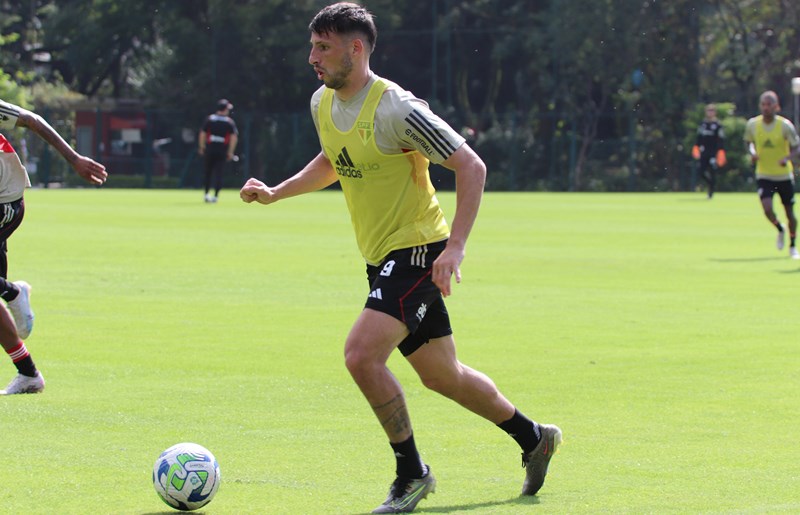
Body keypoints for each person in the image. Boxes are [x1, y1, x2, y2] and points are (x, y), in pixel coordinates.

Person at [240, 3, 561, 513]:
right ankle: (534, 438)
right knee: (442, 375)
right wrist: (278, 192)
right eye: (313, 46)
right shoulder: (322, 103)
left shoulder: (397, 109)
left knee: (360, 355)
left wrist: (454, 247)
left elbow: (470, 165)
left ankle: (412, 473)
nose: (313, 57)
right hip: (381, 254)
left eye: (323, 47)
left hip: (418, 249)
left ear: (356, 48)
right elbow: (334, 160)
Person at [0, 98, 107, 395]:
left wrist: (74, 159)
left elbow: (32, 120)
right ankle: (28, 374)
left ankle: (12, 291)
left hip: (4, 201)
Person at [743, 91, 800, 259]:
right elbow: (748, 142)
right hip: (764, 174)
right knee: (767, 209)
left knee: (790, 213)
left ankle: (792, 245)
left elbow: (796, 146)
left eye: (770, 105)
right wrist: (752, 153)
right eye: (763, 104)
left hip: (783, 175)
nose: (766, 108)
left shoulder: (784, 125)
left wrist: (788, 158)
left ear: (777, 107)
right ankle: (779, 228)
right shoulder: (753, 124)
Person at [198, 99, 238, 203]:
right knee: (219, 174)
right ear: (225, 109)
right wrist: (230, 152)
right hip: (222, 151)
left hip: (210, 149)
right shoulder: (229, 122)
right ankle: (215, 196)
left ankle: (206, 195)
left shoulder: (210, 119)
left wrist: (202, 147)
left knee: (208, 173)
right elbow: (234, 137)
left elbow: (202, 133)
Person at [691, 103, 726, 199]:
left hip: (713, 153)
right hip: (704, 152)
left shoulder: (718, 125)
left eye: (712, 111)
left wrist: (720, 152)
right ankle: (710, 184)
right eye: (708, 111)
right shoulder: (703, 124)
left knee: (712, 171)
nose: (710, 113)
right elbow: (698, 139)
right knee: (701, 171)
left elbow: (721, 140)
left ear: (715, 112)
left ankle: (711, 192)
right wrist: (696, 149)